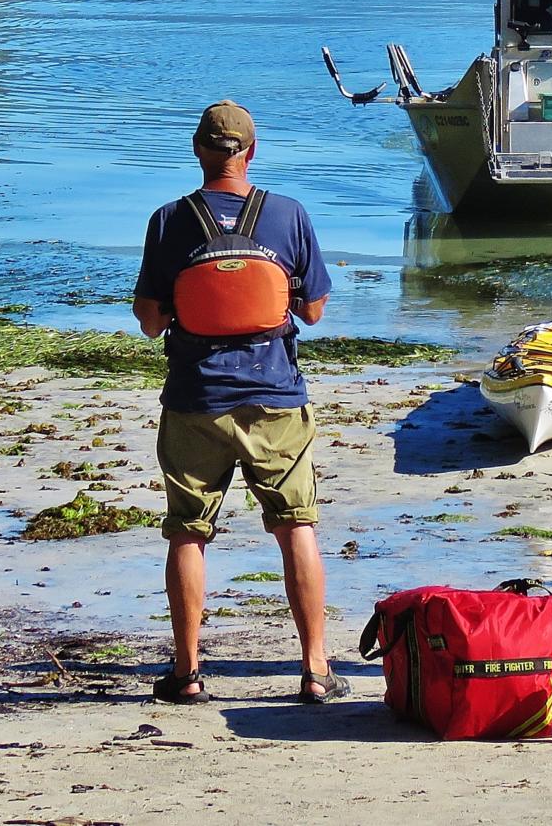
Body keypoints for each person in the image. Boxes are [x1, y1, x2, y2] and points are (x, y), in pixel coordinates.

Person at [132, 100, 344, 704]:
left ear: (199, 151)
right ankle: (314, 668)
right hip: (275, 396)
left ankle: (187, 672)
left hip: (196, 397)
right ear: (252, 152)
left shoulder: (169, 220)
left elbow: (151, 323)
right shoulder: (289, 214)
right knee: (296, 526)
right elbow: (313, 309)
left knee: (188, 534)